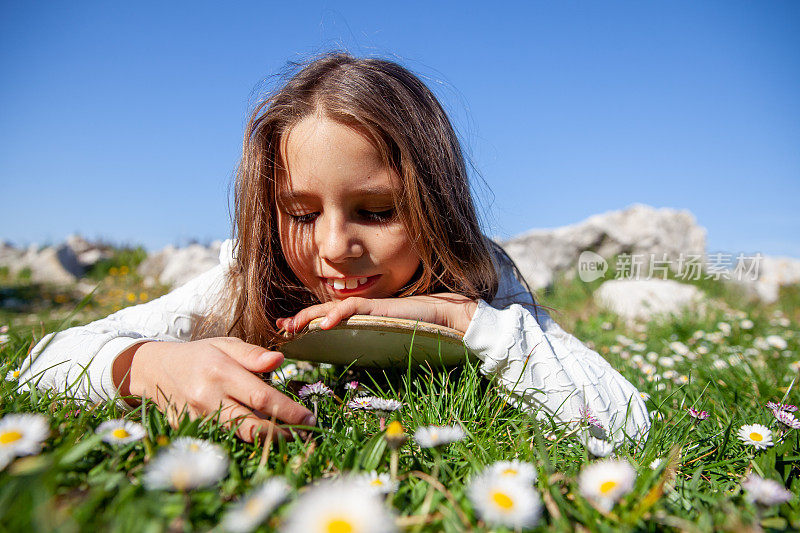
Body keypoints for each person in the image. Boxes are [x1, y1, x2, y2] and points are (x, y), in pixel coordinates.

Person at [19, 52, 649, 445]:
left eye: (377, 212)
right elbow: (43, 360)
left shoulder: (477, 273)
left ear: (436, 205)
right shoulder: (252, 278)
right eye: (300, 213)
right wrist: (151, 368)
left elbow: (620, 422)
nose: (334, 246)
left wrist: (459, 318)